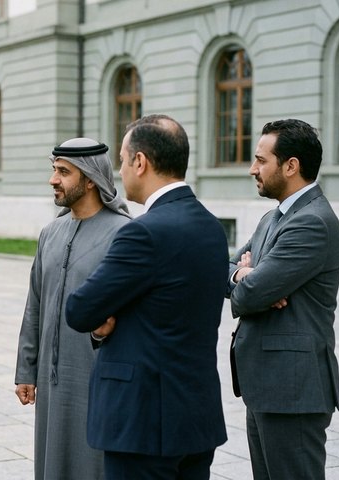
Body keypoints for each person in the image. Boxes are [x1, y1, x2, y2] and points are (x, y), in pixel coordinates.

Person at [65, 114, 228, 480]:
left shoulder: (143, 233)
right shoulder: (212, 227)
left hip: (143, 422)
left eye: (123, 161)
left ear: (141, 162)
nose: (121, 171)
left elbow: (79, 309)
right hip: (196, 415)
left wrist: (103, 323)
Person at [228, 119, 339, 480]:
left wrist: (253, 281)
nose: (252, 169)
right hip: (267, 386)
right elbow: (229, 268)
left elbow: (250, 295)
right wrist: (242, 273)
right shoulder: (272, 218)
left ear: (291, 166)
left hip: (293, 391)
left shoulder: (311, 222)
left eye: (261, 160)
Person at [14, 137, 130, 479]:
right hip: (51, 383)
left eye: (63, 172)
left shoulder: (124, 234)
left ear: (90, 178)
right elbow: (35, 303)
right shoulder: (50, 233)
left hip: (97, 379)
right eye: (54, 170)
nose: (53, 179)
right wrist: (26, 368)